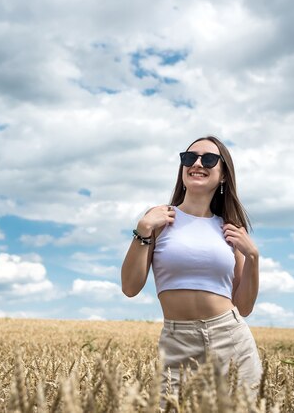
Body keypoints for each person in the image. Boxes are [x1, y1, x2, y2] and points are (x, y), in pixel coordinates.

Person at [121, 135, 262, 407]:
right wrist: (142, 230)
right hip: (177, 342)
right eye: (189, 158)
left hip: (230, 339)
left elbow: (243, 306)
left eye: (208, 159)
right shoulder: (159, 219)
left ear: (223, 175)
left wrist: (253, 257)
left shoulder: (229, 228)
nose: (197, 163)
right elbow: (130, 287)